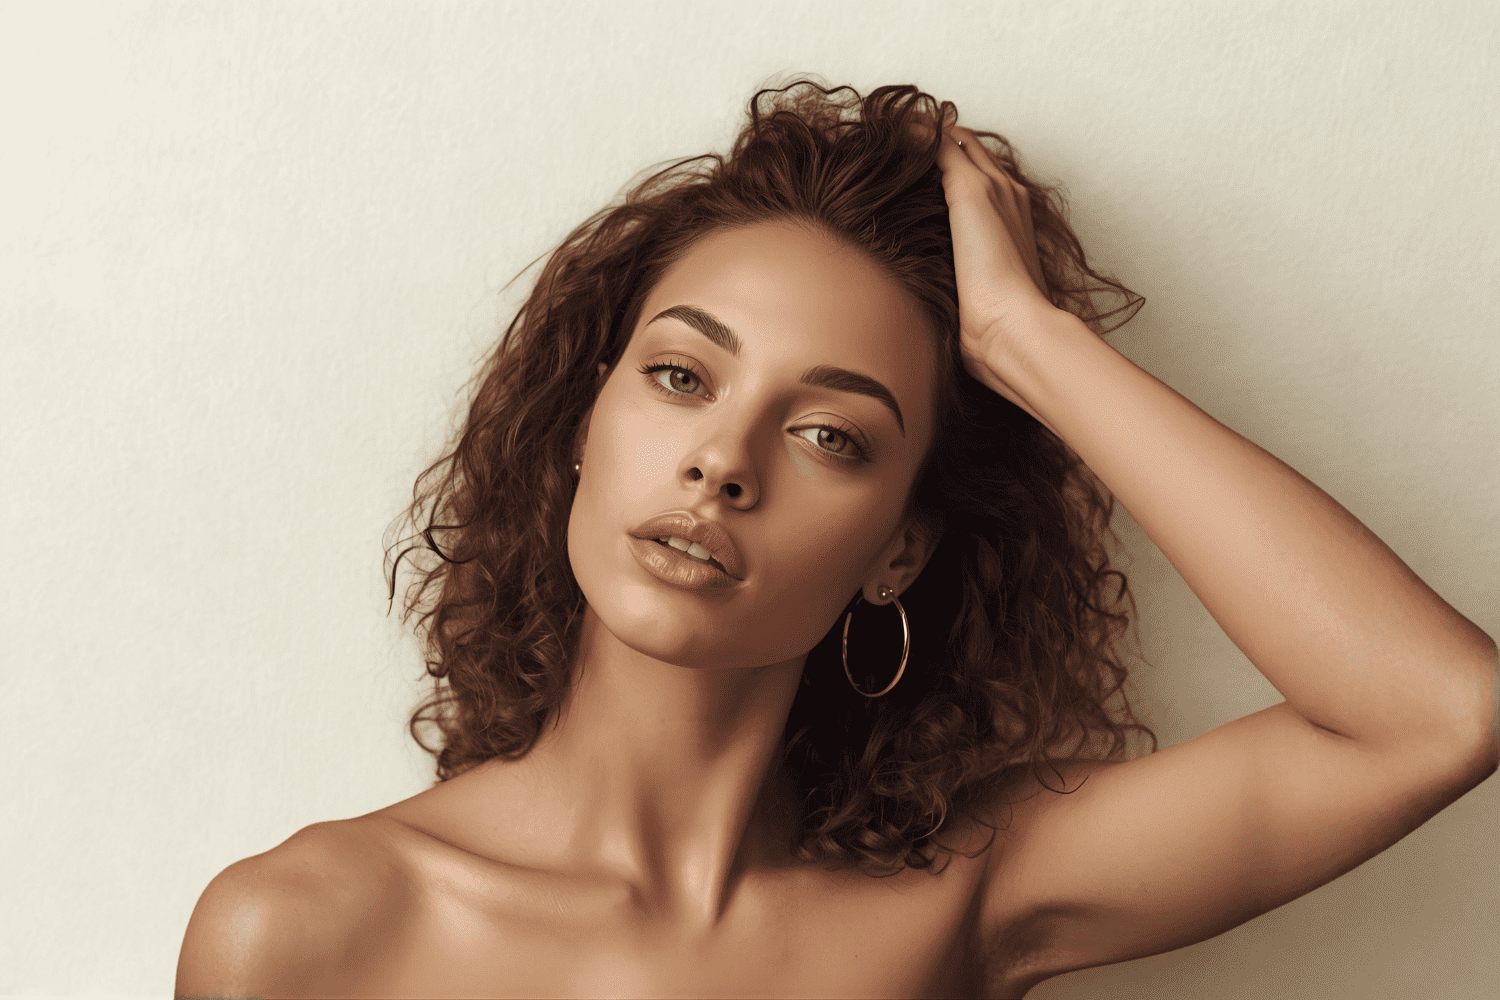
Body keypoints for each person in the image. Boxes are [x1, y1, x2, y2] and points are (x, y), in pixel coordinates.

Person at [175, 81, 1497, 998]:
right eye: (681, 376)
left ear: (899, 553)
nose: (722, 460)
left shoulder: (963, 898)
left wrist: (1028, 342)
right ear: (583, 425)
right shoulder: (300, 933)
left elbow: (1438, 712)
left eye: (831, 435)